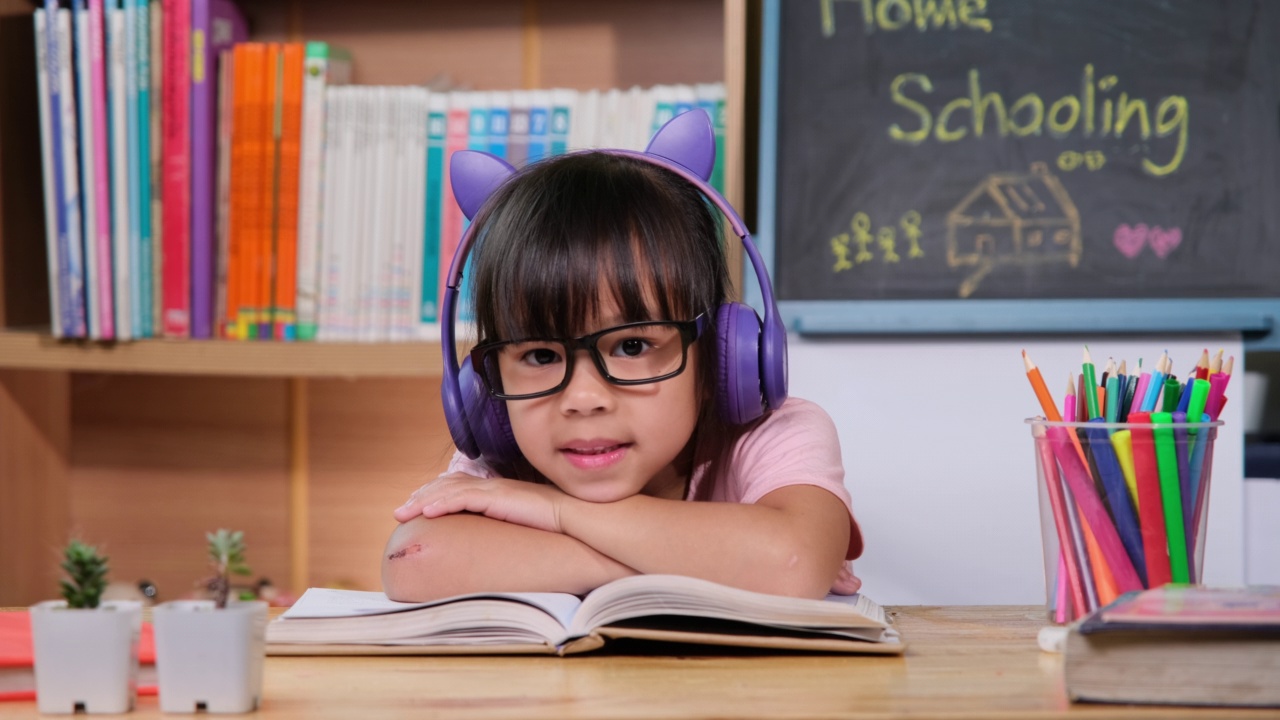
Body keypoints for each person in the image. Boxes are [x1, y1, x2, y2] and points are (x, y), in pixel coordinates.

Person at [382, 111, 862, 602]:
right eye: (541, 355)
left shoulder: (775, 435)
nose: (584, 398)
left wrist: (554, 511)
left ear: (721, 354)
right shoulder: (502, 458)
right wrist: (721, 566)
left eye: (632, 345)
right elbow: (415, 562)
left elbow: (792, 562)